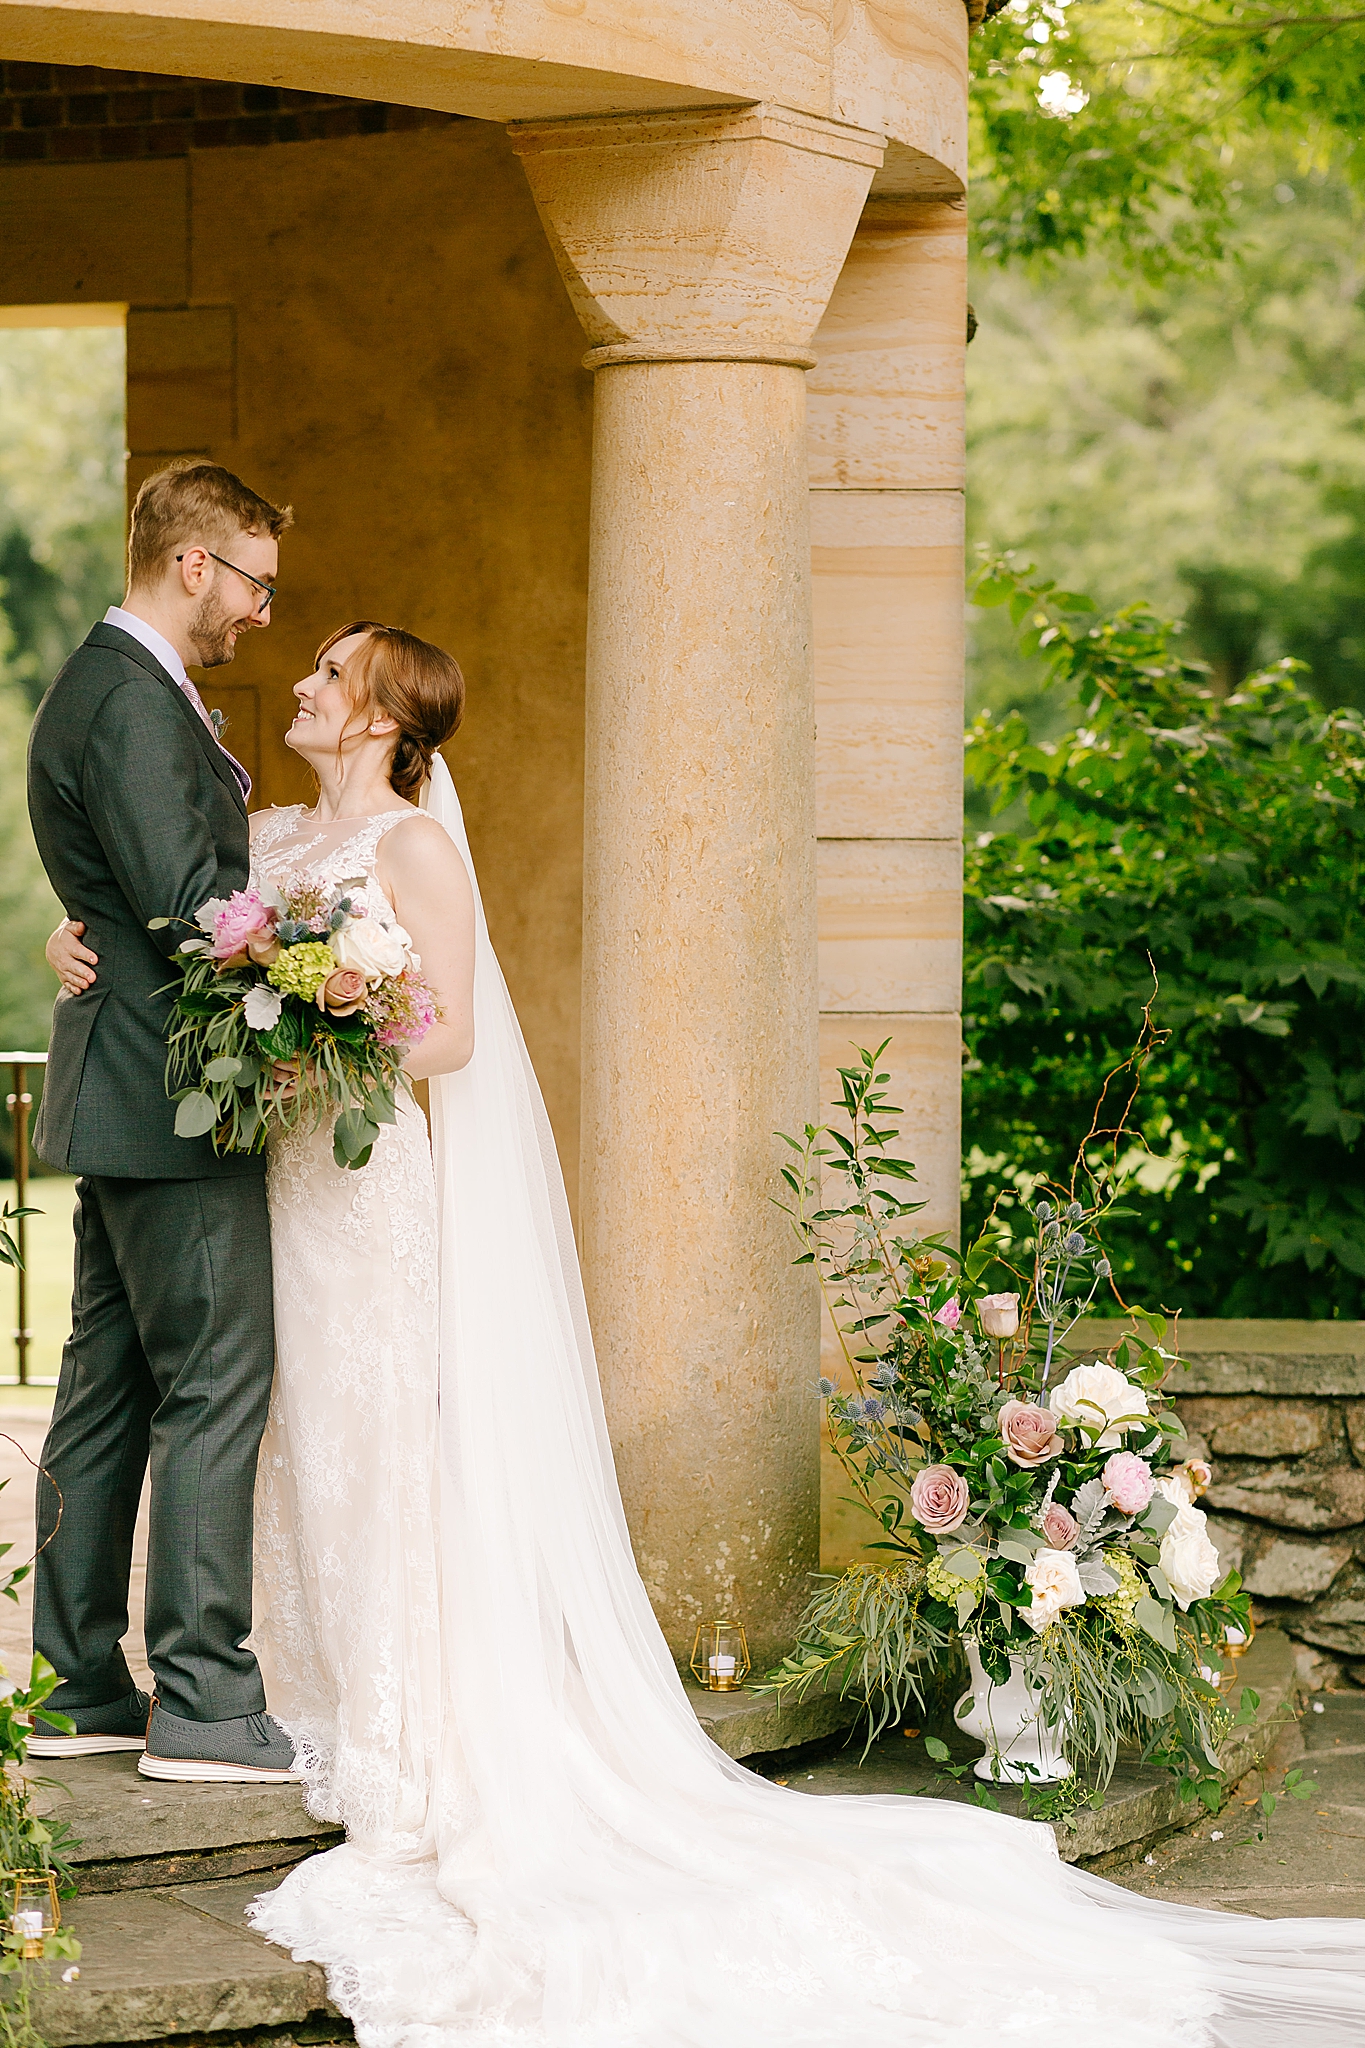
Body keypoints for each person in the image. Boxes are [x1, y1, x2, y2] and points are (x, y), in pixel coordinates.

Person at [47, 628, 1365, 2044]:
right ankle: (289, 1687)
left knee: (378, 1431)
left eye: (330, 672)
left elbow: (452, 1043)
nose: (301, 683)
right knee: (290, 1435)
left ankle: (398, 1718)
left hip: (363, 1192)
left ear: (381, 711)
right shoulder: (276, 827)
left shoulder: (416, 851)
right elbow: (190, 937)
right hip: (278, 1190)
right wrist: (81, 943)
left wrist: (334, 1015)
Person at [27, 460, 302, 1783]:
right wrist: (334, 965)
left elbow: (139, 899)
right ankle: (203, 1699)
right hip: (170, 1101)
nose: (262, 609)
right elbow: (198, 910)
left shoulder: (117, 689)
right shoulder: (131, 703)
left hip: (123, 1089)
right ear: (194, 564)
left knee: (109, 1389)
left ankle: (78, 1685)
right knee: (214, 1384)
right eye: (254, 579)